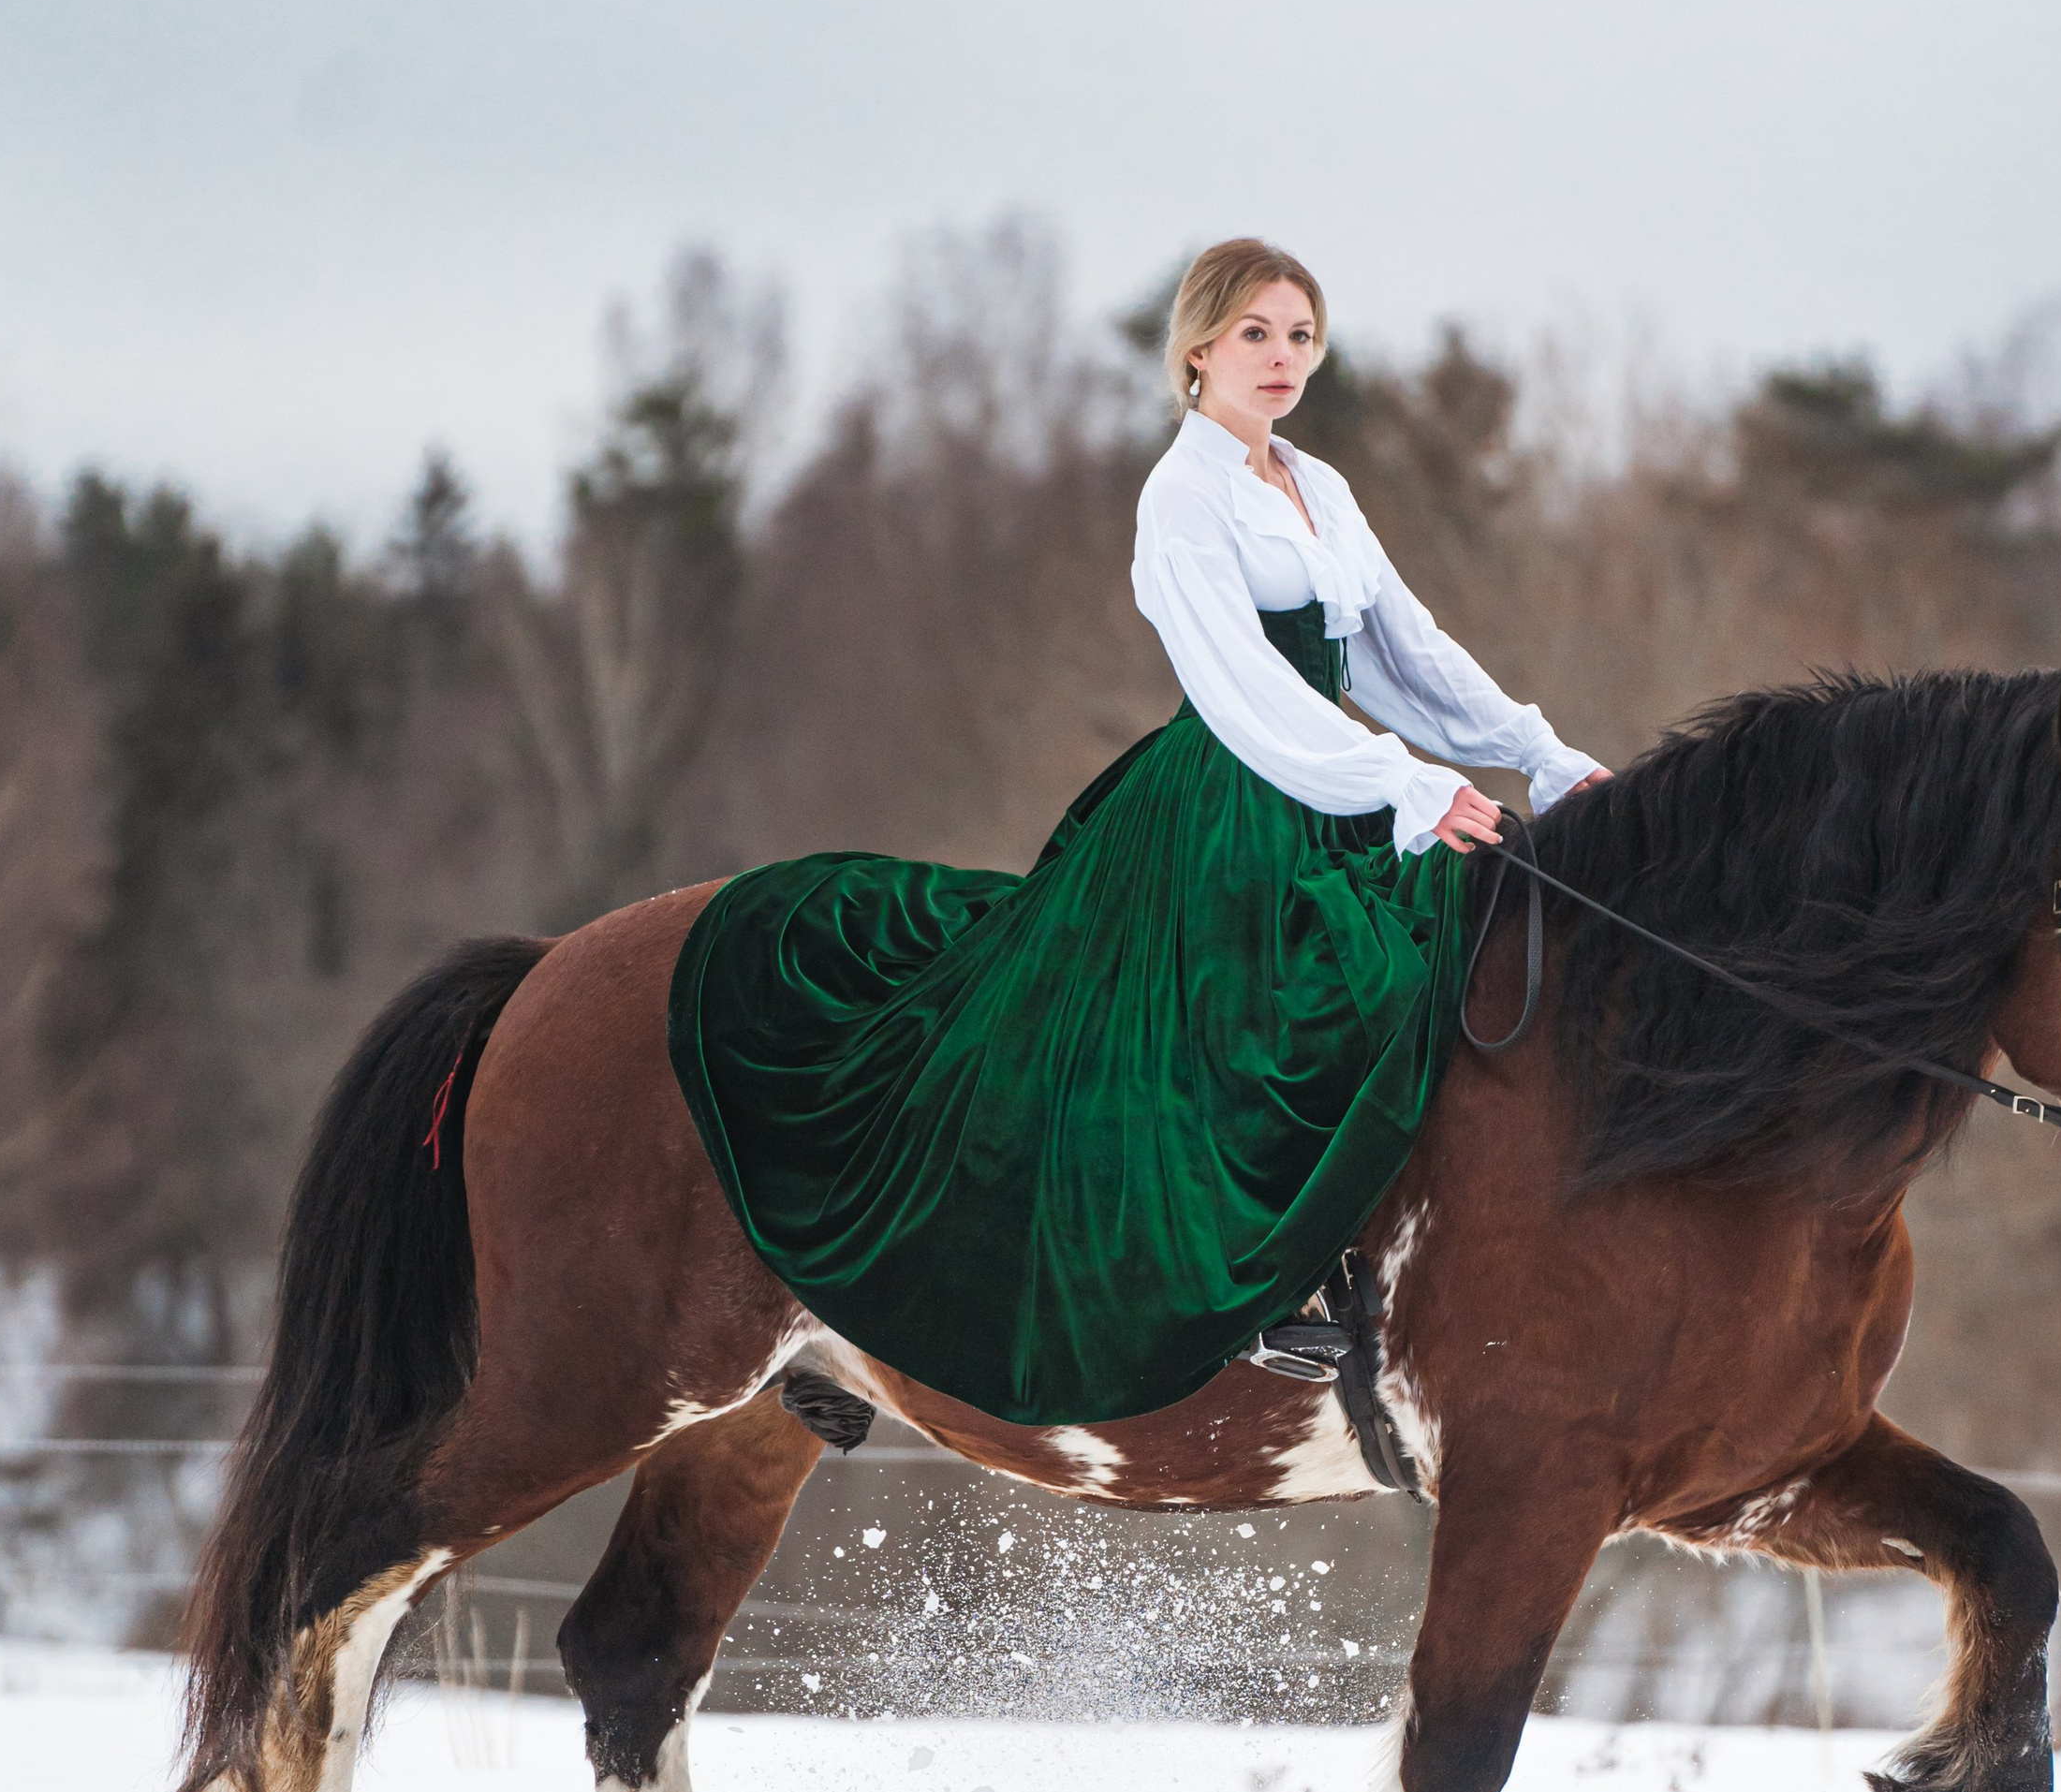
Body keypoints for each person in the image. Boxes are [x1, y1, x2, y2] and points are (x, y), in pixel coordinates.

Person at [669, 239, 1604, 1429]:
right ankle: (1277, 1288)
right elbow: (1241, 691)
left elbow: (1400, 651)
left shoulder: (1318, 487)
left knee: (1478, 947)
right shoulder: (1184, 496)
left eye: (1302, 336)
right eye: (1257, 335)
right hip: (1236, 792)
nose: (1282, 359)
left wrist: (1537, 752)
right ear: (1200, 349)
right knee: (1319, 988)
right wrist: (1403, 785)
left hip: (1339, 777)